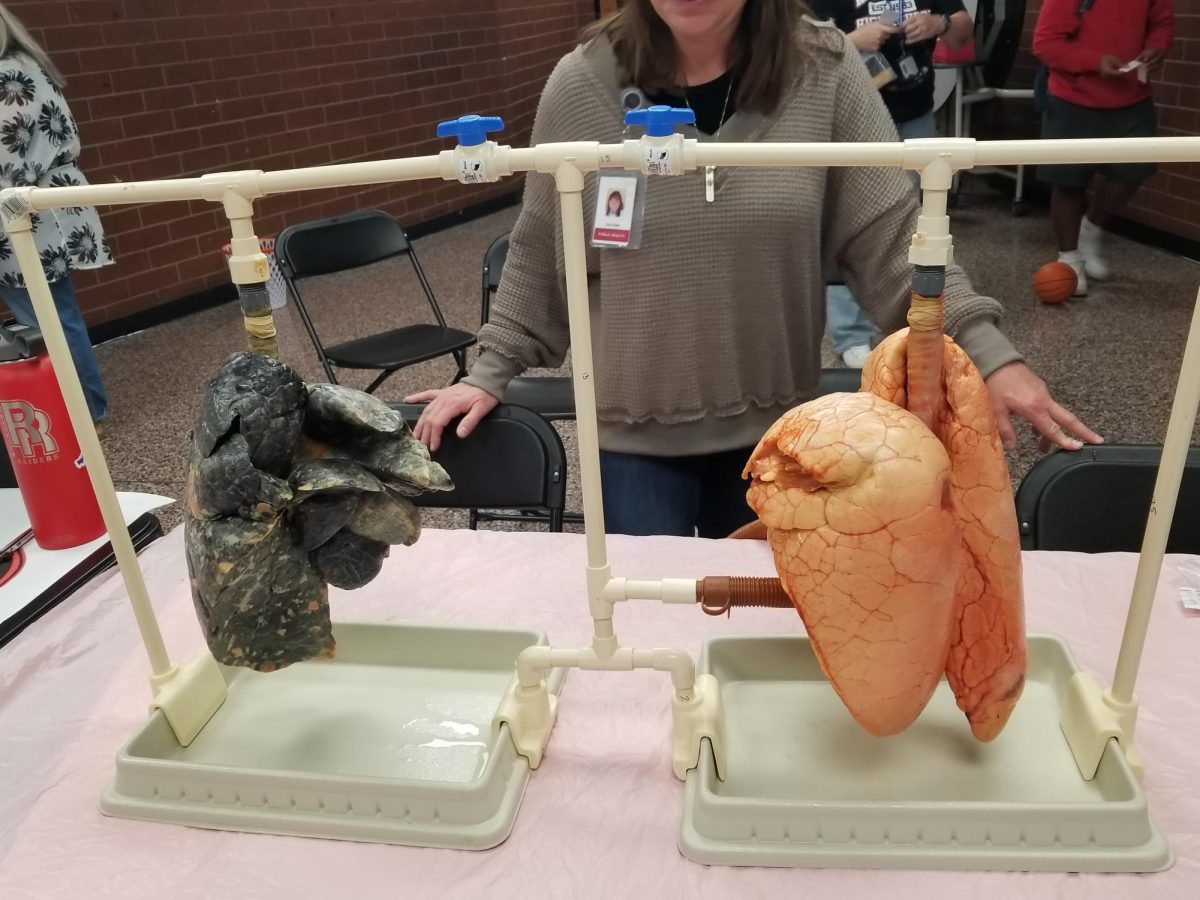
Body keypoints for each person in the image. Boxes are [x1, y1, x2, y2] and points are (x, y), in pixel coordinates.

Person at [408, 0, 1101, 538]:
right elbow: (539, 248)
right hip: (632, 435)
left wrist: (990, 356)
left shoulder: (824, 71)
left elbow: (895, 239)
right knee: (654, 646)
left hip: (779, 434)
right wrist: (488, 371)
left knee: (759, 645)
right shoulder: (583, 83)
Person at [810, 0, 974, 367]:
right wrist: (850, 41)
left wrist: (938, 23)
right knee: (847, 224)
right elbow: (793, 50)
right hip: (849, 119)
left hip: (914, 117)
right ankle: (850, 335)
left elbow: (963, 31)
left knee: (913, 227)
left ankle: (909, 323)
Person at [0, 3, 113, 426]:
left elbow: (9, 155)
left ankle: (84, 413)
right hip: (38, 207)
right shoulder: (22, 63)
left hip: (30, 211)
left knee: (48, 317)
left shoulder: (9, 73)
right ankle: (81, 409)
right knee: (51, 313)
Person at [1033, 0, 1174, 296]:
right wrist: (1094, 61)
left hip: (1133, 98)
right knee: (1068, 181)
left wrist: (1158, 46)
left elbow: (1162, 23)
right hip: (1072, 97)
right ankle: (1069, 259)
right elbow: (1045, 43)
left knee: (1133, 171)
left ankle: (1091, 229)